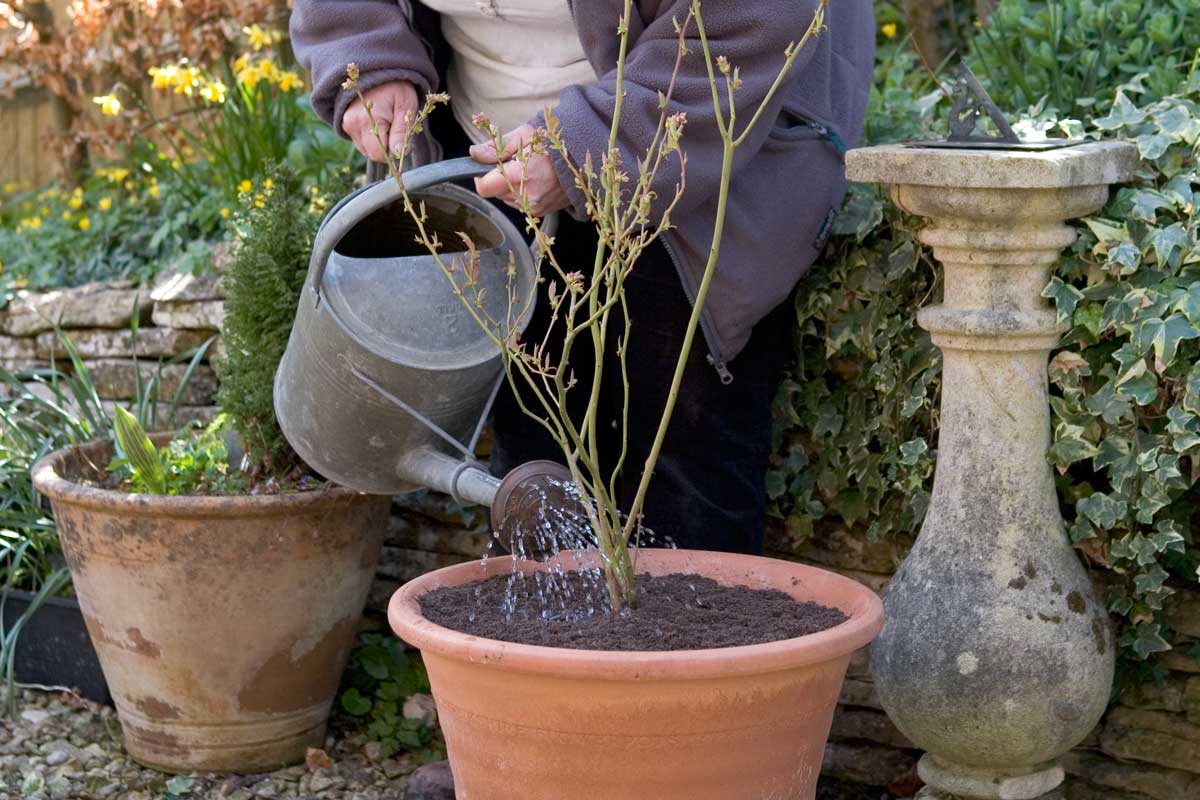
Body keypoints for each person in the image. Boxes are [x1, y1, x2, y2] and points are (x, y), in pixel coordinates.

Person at [291, 1, 875, 558]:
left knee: (678, 478)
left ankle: (685, 658)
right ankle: (544, 657)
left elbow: (750, 18)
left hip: (688, 143)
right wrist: (366, 59)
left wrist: (595, 144)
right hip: (489, 157)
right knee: (537, 457)